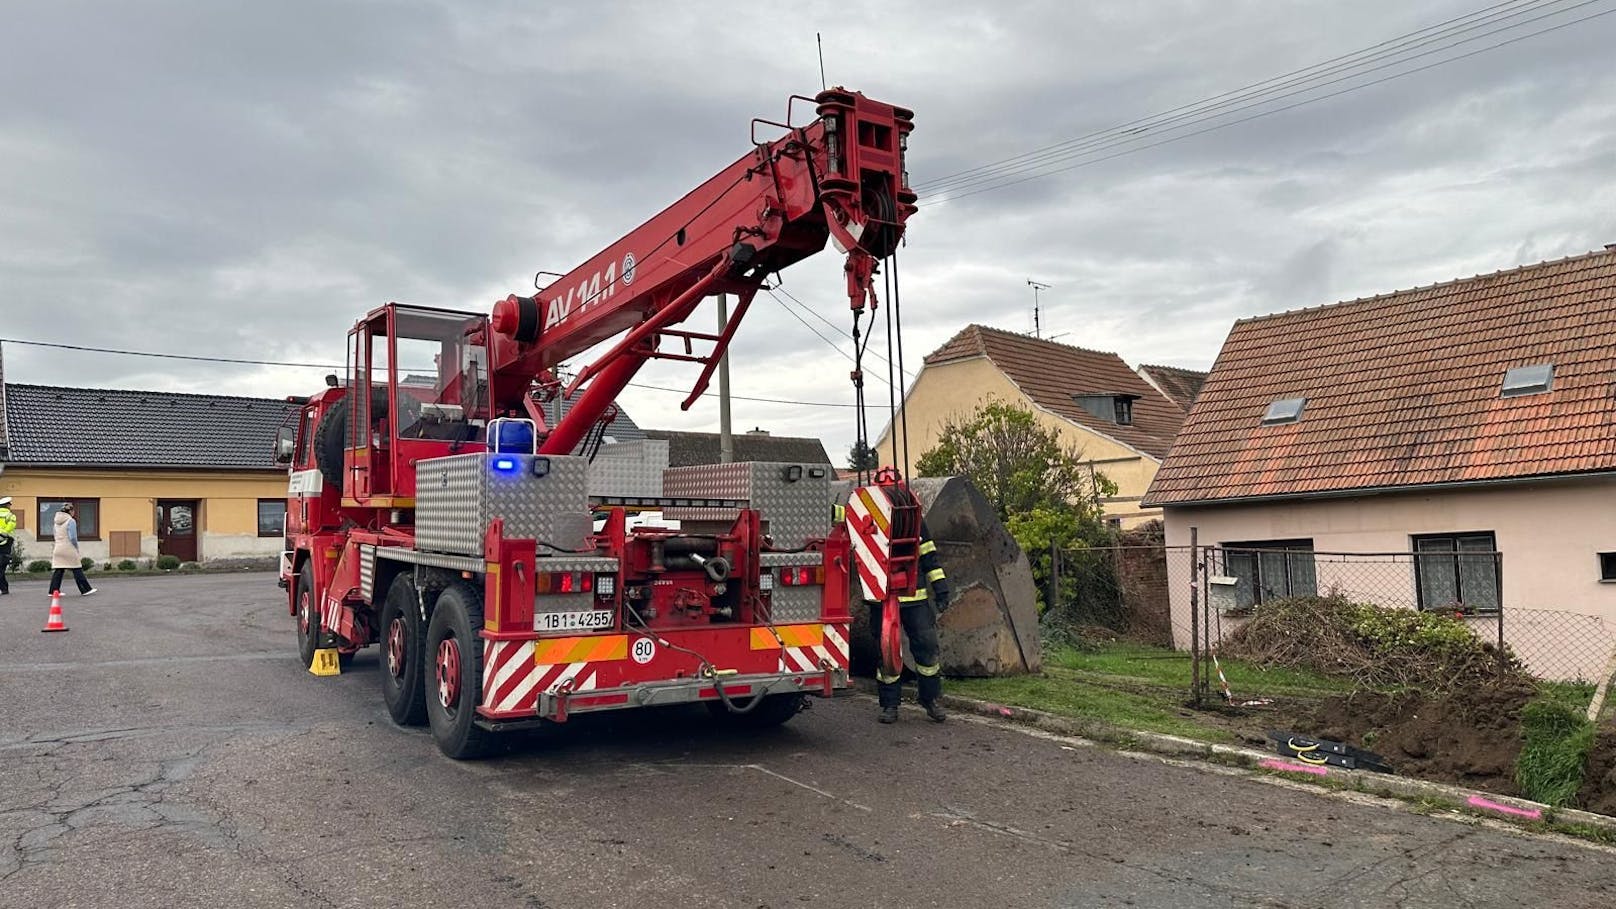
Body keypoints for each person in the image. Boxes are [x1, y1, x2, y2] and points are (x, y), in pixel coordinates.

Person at [871, 517, 951, 725]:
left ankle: (930, 699)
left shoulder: (914, 518)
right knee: (887, 653)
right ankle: (890, 704)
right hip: (884, 600)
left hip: (915, 599)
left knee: (927, 647)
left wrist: (941, 589)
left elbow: (929, 557)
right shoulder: (869, 512)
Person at [50, 502, 97, 598]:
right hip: (68, 547)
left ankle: (53, 591)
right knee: (76, 568)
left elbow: (55, 535)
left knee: (59, 570)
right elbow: (73, 537)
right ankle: (85, 589)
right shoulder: (70, 521)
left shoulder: (56, 522)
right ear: (70, 511)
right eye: (73, 511)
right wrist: (76, 547)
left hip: (58, 548)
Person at [0, 496, 15, 595]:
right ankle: (4, 588)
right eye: (10, 504)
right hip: (5, 542)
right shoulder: (11, 516)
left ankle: (4, 588)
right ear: (7, 505)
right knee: (2, 566)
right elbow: (10, 528)